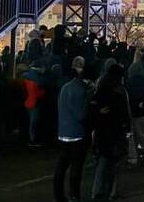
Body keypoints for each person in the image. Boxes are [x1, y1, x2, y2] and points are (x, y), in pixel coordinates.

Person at [90, 64, 130, 202]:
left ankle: (97, 190)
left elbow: (93, 110)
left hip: (102, 132)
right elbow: (123, 114)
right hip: (115, 132)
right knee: (116, 163)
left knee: (102, 161)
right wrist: (127, 128)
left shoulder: (100, 90)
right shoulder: (119, 92)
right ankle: (113, 191)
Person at [53, 57, 90, 202]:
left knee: (61, 167)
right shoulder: (80, 90)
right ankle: (74, 195)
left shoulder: (64, 88)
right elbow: (80, 115)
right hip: (76, 134)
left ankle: (59, 195)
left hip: (63, 132)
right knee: (76, 167)